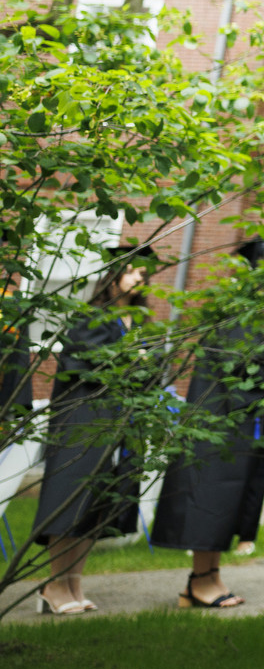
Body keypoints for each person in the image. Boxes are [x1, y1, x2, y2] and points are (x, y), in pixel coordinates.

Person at [151, 238, 264, 607]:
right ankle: (199, 581)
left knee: (226, 498)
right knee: (211, 496)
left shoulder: (261, 310)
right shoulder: (237, 308)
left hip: (240, 421)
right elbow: (234, 366)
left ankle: (208, 577)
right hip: (219, 419)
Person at [32, 241, 158, 615]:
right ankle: (53, 585)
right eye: (134, 271)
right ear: (114, 275)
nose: (140, 279)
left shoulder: (140, 322)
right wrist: (127, 360)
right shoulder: (91, 315)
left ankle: (74, 583)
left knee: (94, 505)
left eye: (145, 275)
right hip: (81, 420)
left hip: (116, 422)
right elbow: (76, 363)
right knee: (67, 501)